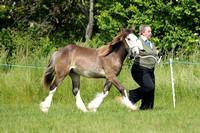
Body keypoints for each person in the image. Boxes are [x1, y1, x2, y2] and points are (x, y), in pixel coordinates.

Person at [129, 24, 163, 110]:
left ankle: (145, 108)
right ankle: (132, 96)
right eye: (149, 31)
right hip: (140, 69)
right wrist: (133, 55)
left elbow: (152, 51)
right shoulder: (138, 41)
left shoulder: (150, 42)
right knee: (149, 87)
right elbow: (134, 51)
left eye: (150, 31)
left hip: (150, 69)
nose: (150, 33)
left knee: (151, 90)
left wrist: (158, 53)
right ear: (143, 32)